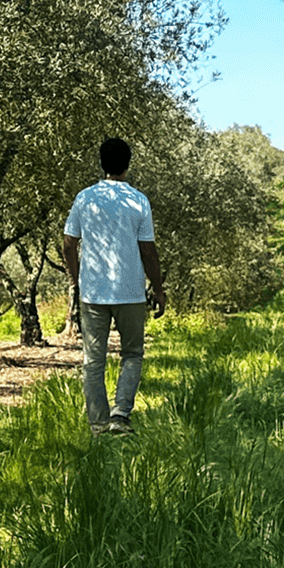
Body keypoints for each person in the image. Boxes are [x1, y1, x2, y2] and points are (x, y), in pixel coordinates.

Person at [63, 136, 166, 433]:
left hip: (93, 292)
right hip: (130, 291)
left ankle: (98, 427)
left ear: (101, 163)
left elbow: (69, 244)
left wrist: (76, 279)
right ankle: (121, 415)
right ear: (128, 164)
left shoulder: (84, 198)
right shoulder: (138, 200)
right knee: (132, 354)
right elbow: (148, 250)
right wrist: (157, 288)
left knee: (93, 360)